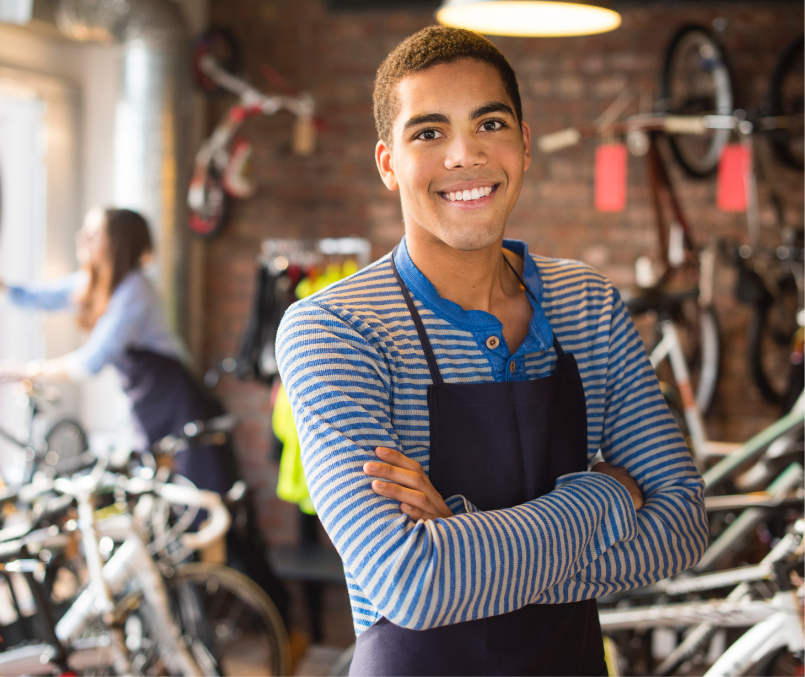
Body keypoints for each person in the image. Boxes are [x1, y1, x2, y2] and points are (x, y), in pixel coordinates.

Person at [275, 26, 708, 677]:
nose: (463, 154)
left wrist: (460, 534)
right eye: (427, 132)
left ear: (524, 145)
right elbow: (411, 583)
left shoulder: (585, 304)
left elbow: (678, 527)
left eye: (489, 123)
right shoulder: (335, 329)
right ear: (388, 163)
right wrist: (606, 497)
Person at [0, 206, 235, 494]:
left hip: (176, 403)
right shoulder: (96, 285)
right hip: (148, 404)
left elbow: (90, 362)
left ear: (119, 243)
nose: (82, 238)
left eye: (95, 233)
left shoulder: (135, 290)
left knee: (198, 499)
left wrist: (25, 371)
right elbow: (28, 297)